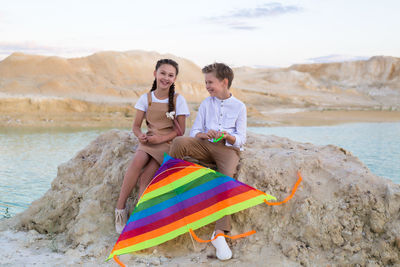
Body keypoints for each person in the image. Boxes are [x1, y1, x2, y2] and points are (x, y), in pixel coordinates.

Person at [169, 62, 246, 260]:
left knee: (226, 180)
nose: (207, 86)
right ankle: (174, 191)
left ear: (224, 82)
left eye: (210, 82)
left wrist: (227, 136)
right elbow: (194, 132)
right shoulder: (206, 103)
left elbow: (241, 138)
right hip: (205, 145)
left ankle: (219, 234)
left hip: (228, 150)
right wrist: (205, 134)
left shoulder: (239, 106)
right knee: (179, 142)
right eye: (205, 82)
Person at [115, 59, 190, 234]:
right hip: (148, 141)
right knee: (138, 160)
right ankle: (120, 209)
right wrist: (140, 135)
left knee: (145, 179)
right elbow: (135, 126)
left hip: (167, 144)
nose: (166, 78)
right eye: (162, 73)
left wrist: (162, 139)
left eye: (170, 75)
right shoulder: (146, 98)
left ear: (175, 79)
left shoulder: (179, 100)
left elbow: (181, 131)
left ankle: (140, 219)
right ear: (155, 74)